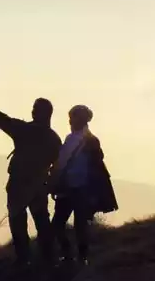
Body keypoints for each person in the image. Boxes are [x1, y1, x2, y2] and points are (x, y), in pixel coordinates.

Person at [0, 97, 62, 266]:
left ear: (39, 113)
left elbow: (0, 119)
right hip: (39, 185)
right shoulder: (54, 138)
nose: (32, 111)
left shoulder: (24, 130)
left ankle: (24, 259)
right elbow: (58, 166)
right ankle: (48, 258)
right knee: (42, 221)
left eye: (35, 109)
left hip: (19, 184)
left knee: (18, 221)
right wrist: (51, 185)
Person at [50, 104, 118, 266]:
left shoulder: (79, 140)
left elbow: (61, 163)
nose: (70, 121)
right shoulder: (89, 140)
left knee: (61, 224)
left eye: (72, 117)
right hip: (78, 188)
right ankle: (80, 257)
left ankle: (71, 256)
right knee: (77, 224)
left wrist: (54, 182)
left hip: (74, 188)